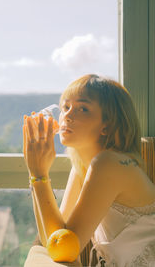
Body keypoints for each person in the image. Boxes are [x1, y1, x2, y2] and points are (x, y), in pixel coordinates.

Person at [23, 74, 155, 267]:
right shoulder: (83, 166)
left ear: (106, 125)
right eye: (65, 107)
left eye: (82, 108)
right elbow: (54, 240)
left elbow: (65, 248)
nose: (67, 116)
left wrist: (39, 173)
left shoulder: (109, 163)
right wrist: (35, 173)